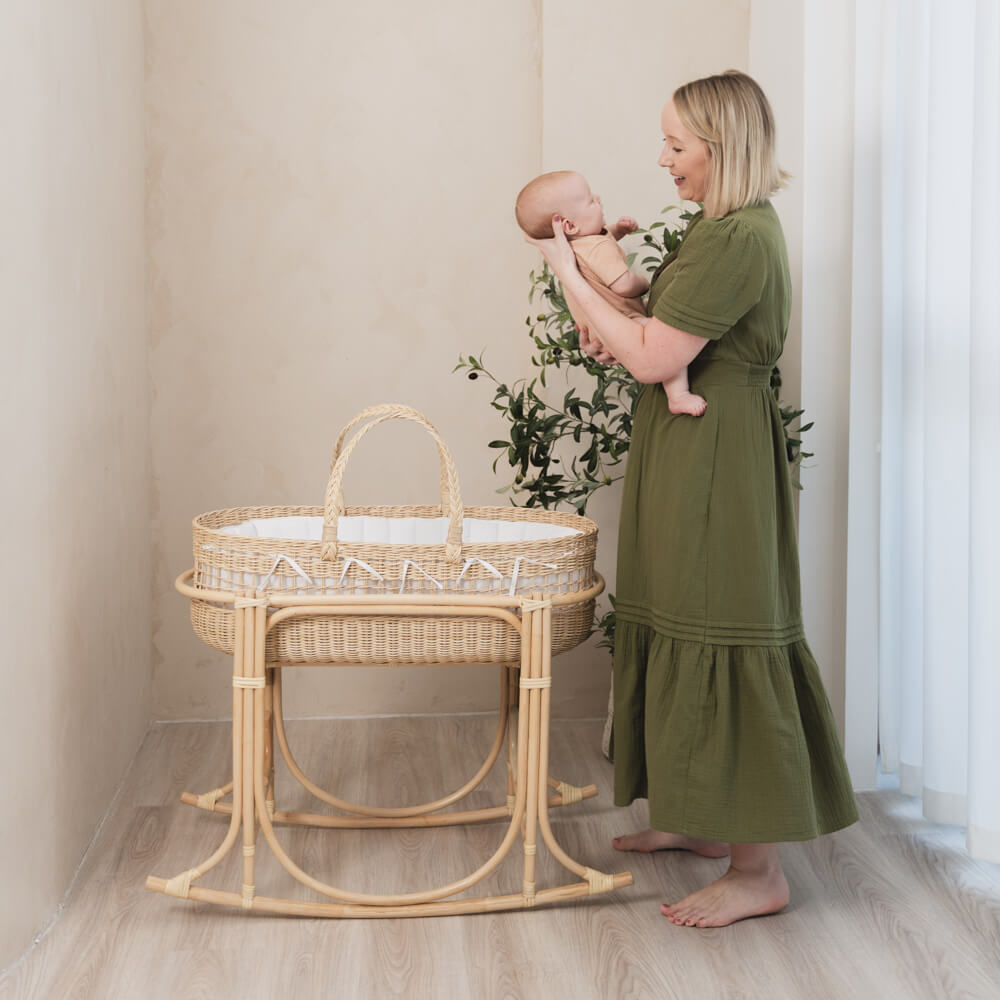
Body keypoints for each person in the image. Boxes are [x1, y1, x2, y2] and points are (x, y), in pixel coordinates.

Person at [525, 70, 858, 928]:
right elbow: (651, 339)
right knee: (678, 613)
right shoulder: (714, 229)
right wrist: (619, 327)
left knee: (726, 620)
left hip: (720, 454)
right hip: (686, 447)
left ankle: (759, 871)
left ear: (722, 147)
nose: (663, 159)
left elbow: (649, 357)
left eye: (677, 145)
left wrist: (565, 265)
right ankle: (702, 820)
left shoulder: (739, 237)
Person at [515, 170, 706, 416]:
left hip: (599, 331)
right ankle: (678, 395)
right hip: (623, 323)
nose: (598, 198)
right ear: (570, 225)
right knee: (661, 342)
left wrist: (618, 230)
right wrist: (646, 284)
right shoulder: (596, 248)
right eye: (589, 200)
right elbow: (623, 285)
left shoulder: (578, 247)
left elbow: (602, 246)